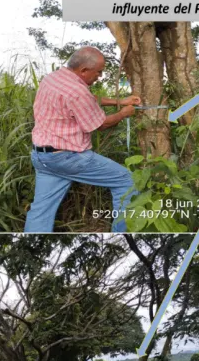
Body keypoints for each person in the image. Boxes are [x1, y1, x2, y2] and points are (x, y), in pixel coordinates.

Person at [24, 46, 141, 232]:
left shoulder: (53, 78)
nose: (100, 76)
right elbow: (100, 125)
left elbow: (88, 99)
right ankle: (123, 233)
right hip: (68, 158)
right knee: (128, 182)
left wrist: (120, 101)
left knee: (40, 211)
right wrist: (123, 113)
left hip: (42, 157)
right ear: (84, 70)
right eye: (98, 72)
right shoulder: (78, 91)